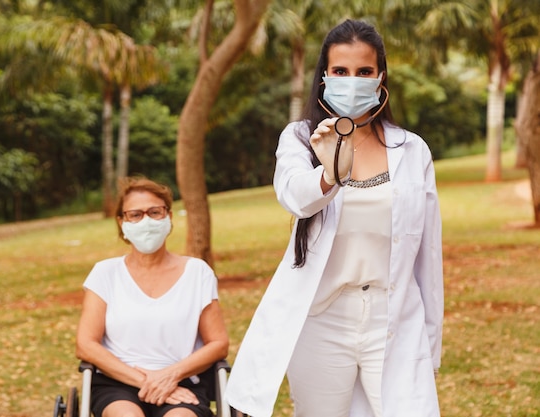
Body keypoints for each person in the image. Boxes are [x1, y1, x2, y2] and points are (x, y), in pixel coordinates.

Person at [225, 19, 443, 417]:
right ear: (324, 76)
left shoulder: (412, 150)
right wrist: (329, 173)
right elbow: (295, 197)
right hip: (323, 319)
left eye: (364, 72)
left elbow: (428, 253)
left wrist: (431, 340)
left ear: (380, 78)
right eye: (341, 71)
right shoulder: (300, 138)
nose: (352, 81)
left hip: (393, 315)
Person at [76, 176, 229, 417]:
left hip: (183, 382)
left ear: (168, 216)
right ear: (122, 222)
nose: (145, 221)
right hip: (117, 382)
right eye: (135, 215)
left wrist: (170, 376)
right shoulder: (105, 273)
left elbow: (218, 344)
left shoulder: (197, 272)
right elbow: (86, 345)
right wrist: (149, 381)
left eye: (154, 212)